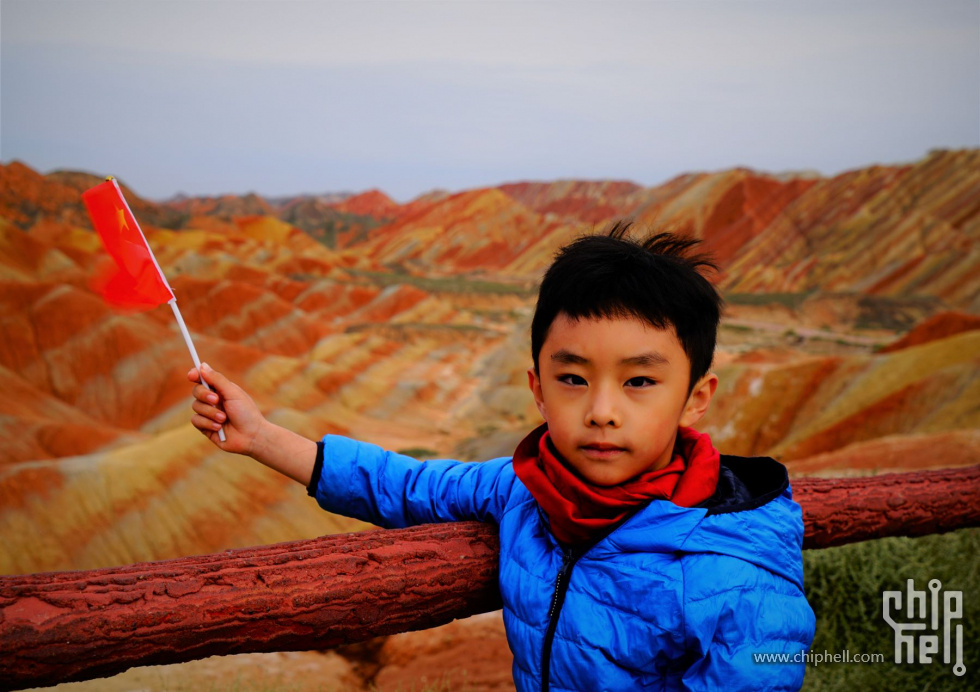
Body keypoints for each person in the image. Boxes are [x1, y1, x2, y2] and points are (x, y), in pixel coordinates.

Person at [189, 222, 816, 691]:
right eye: (573, 378)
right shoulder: (528, 489)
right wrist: (261, 437)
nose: (601, 410)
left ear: (694, 399)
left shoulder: (738, 578)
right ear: (537, 388)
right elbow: (409, 485)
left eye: (639, 382)